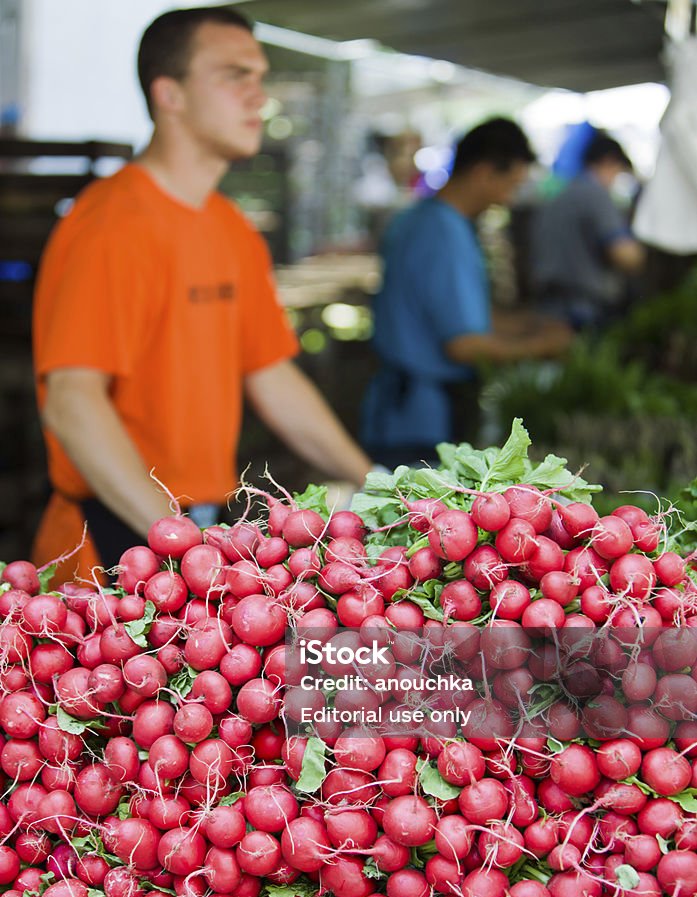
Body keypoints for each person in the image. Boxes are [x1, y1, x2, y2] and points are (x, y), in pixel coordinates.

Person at [31, 6, 372, 582]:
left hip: (200, 533)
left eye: (260, 77)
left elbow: (272, 376)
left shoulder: (230, 227)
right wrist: (182, 545)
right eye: (233, 75)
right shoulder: (110, 223)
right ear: (170, 94)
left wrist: (381, 483)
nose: (257, 95)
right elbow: (71, 402)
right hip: (113, 544)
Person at [360, 118, 571, 469]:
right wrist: (541, 346)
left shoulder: (422, 218)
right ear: (485, 172)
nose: (511, 197)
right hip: (417, 422)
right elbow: (463, 343)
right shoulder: (444, 231)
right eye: (512, 184)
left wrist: (527, 324)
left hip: (403, 411)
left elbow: (461, 315)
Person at [529, 131, 645, 331]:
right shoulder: (595, 194)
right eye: (618, 171)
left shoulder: (562, 194)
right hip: (582, 308)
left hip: (548, 304)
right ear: (609, 162)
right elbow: (624, 254)